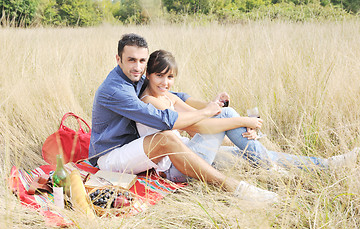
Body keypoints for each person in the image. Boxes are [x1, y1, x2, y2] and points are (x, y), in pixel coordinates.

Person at [88, 33, 278, 203]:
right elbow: (164, 120)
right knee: (167, 137)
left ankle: (288, 165)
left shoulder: (136, 76)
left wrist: (210, 105)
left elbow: (174, 94)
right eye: (131, 60)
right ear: (118, 59)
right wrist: (208, 112)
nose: (137, 66)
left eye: (141, 61)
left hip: (139, 147)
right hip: (111, 156)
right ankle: (234, 187)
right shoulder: (116, 90)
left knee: (237, 154)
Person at [137, 49, 360, 179]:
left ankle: (327, 164)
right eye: (159, 76)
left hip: (190, 154)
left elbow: (202, 118)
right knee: (228, 117)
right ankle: (270, 168)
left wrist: (218, 108)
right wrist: (244, 121)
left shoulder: (169, 97)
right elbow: (197, 127)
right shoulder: (151, 102)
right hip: (176, 169)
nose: (166, 83)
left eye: (170, 77)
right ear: (148, 75)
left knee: (251, 153)